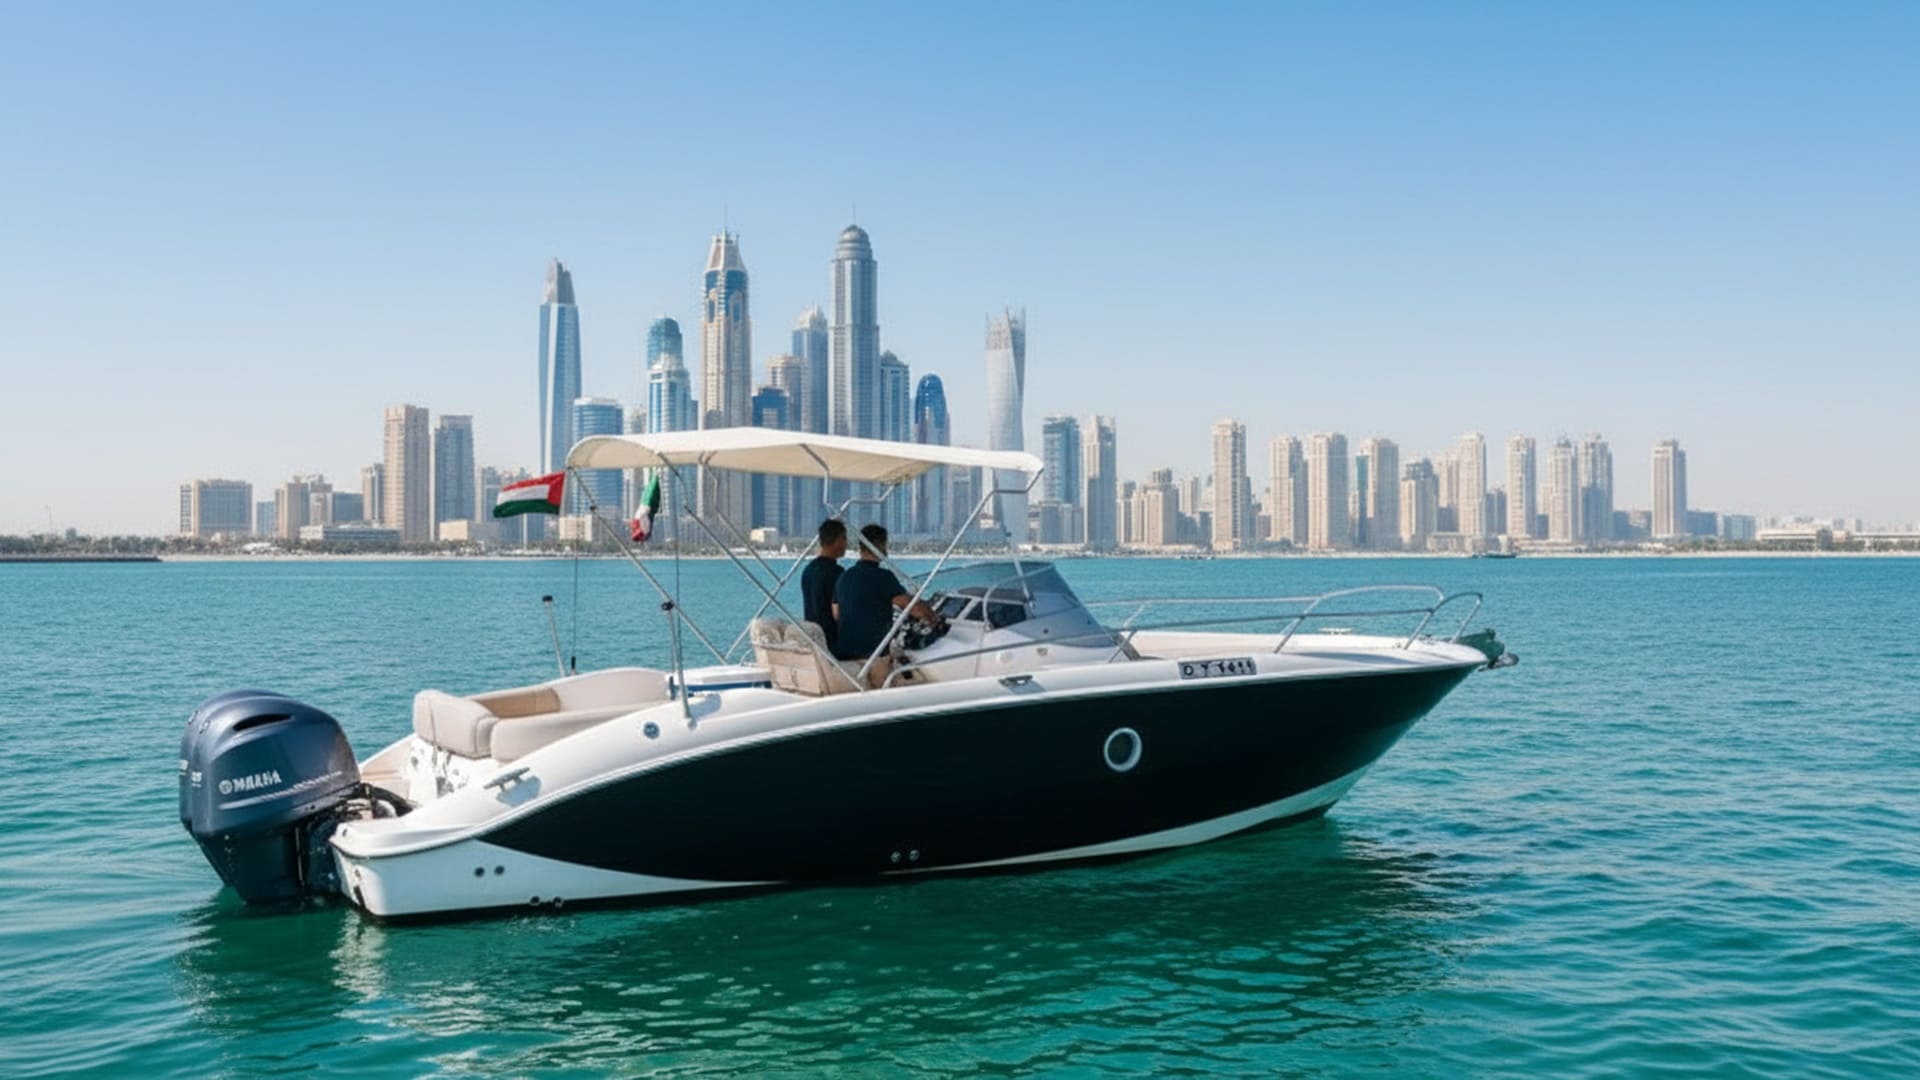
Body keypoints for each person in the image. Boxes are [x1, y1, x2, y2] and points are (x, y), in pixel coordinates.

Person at [832, 523, 943, 664]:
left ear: (861, 547)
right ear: (881, 545)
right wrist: (934, 618)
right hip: (873, 656)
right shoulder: (883, 577)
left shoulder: (844, 577)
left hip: (844, 655)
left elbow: (836, 614)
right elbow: (913, 607)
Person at [800, 518, 847, 652]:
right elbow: (839, 612)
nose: (846, 544)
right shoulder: (837, 573)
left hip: (814, 638)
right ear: (838, 541)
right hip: (832, 641)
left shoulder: (808, 570)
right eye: (844, 539)